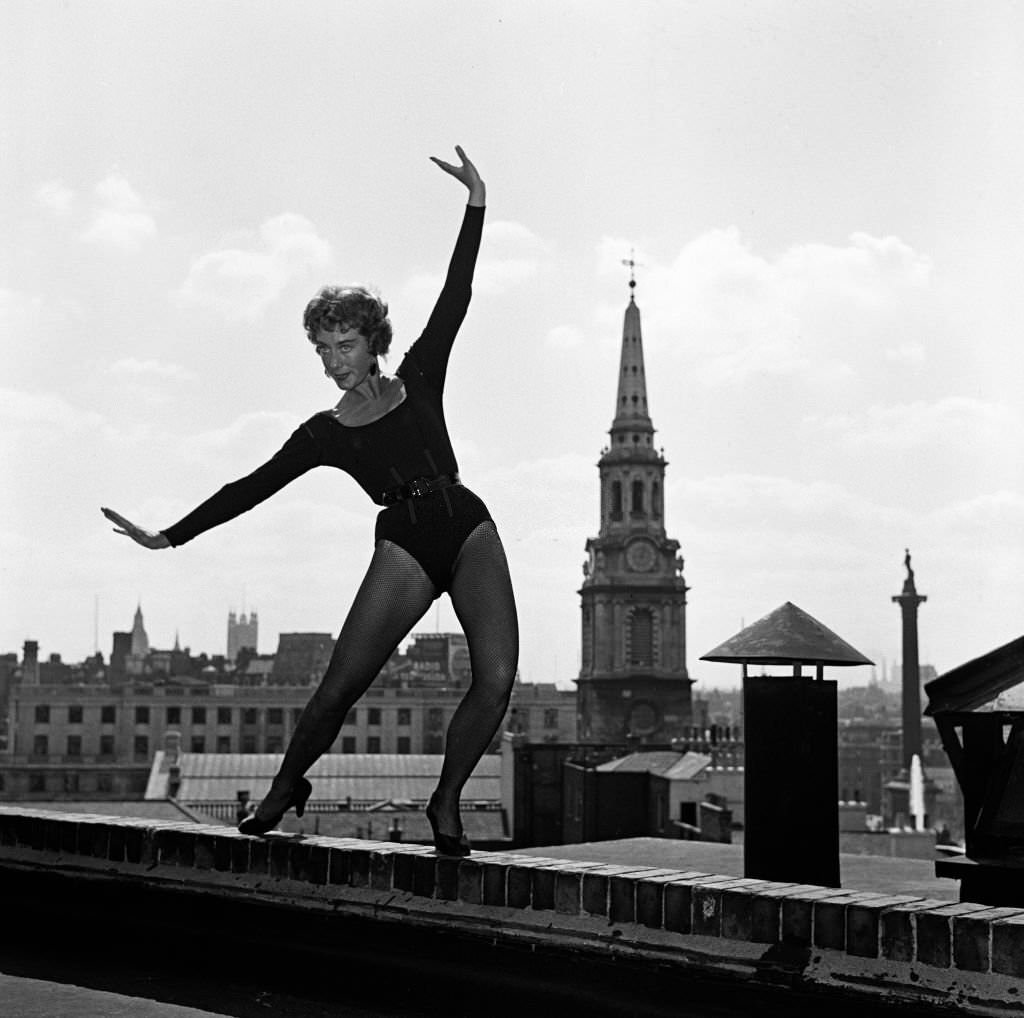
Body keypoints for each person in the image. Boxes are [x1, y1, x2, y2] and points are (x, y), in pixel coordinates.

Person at [101, 147, 517, 856]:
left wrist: (476, 201)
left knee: (498, 677)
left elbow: (457, 293)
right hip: (407, 545)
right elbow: (251, 487)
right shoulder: (323, 433)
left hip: (467, 522)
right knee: (337, 689)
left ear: (372, 342)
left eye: (345, 344)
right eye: (322, 349)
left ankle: (446, 801)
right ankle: (286, 785)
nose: (333, 361)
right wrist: (167, 537)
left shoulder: (420, 374)